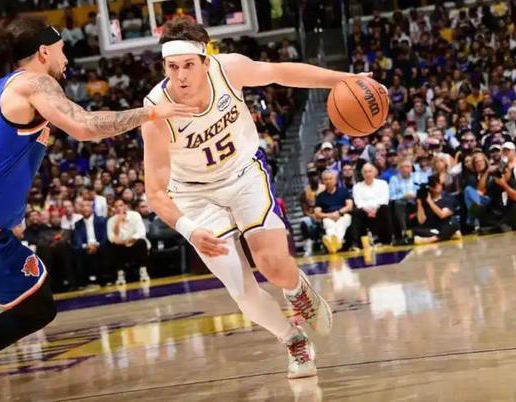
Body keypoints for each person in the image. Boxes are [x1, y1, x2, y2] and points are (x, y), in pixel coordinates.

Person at [0, 16, 193, 402]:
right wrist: (152, 112)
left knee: (39, 308)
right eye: (62, 51)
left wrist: (4, 211)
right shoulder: (33, 83)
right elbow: (85, 126)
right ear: (44, 51)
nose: (66, 59)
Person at [141, 18, 372, 378]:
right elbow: (155, 191)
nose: (181, 76)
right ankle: (293, 340)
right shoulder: (156, 109)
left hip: (244, 174)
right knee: (241, 290)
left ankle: (297, 289)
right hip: (194, 195)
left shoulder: (229, 69)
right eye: (172, 67)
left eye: (188, 65)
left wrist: (344, 79)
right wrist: (188, 229)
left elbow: (282, 72)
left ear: (205, 62)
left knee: (272, 264)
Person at [107, 198, 150, 285]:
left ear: (125, 206)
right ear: (113, 209)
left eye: (121, 205)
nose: (119, 208)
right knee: (112, 247)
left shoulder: (135, 215)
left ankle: (143, 271)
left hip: (135, 243)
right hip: (122, 246)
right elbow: (112, 238)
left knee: (142, 242)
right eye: (116, 207)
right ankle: (120, 274)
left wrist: (131, 240)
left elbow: (141, 232)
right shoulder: (111, 221)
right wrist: (118, 222)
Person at [352, 163, 393, 246]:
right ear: (362, 174)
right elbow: (358, 202)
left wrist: (375, 209)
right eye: (365, 172)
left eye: (370, 171)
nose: (368, 174)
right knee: (356, 211)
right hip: (364, 211)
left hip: (379, 209)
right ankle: (357, 243)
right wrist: (368, 210)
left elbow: (384, 199)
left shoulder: (383, 183)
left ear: (374, 172)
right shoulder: (357, 187)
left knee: (385, 208)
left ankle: (387, 240)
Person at [314, 170, 354, 254]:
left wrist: (338, 213)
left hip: (343, 215)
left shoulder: (343, 191)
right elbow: (317, 213)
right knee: (329, 224)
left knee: (341, 223)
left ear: (335, 180)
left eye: (330, 179)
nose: (328, 181)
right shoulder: (320, 196)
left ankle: (333, 243)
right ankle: (337, 244)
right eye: (325, 179)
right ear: (322, 181)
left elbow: (349, 206)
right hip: (328, 217)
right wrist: (330, 215)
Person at [414, 175, 460, 244]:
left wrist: (430, 201)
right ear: (430, 188)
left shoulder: (447, 198)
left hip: (444, 226)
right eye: (435, 185)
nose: (438, 186)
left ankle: (430, 239)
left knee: (454, 224)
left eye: (439, 184)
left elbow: (442, 215)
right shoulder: (424, 201)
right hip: (431, 228)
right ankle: (448, 235)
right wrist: (419, 203)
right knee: (416, 230)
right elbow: (421, 221)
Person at [73, 200, 109, 286]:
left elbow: (104, 238)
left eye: (88, 206)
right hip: (86, 248)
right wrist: (87, 246)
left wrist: (95, 245)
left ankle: (105, 278)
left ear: (92, 208)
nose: (85, 208)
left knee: (105, 248)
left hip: (99, 245)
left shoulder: (102, 220)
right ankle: (84, 281)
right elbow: (78, 241)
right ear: (80, 209)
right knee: (77, 250)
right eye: (83, 206)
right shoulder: (78, 224)